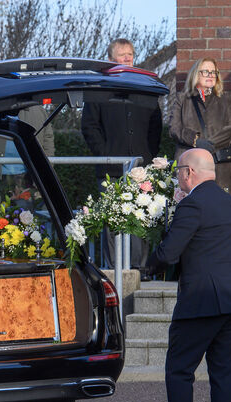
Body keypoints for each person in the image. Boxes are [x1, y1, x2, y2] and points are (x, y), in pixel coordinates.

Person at [145, 148, 231, 402]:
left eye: (179, 171)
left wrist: (147, 262)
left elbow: (168, 253)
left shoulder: (192, 204)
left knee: (179, 371)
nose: (177, 177)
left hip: (201, 301)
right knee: (224, 377)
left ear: (189, 173)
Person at [82, 38, 163, 277]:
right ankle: (117, 270)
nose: (128, 58)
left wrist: (148, 155)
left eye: (130, 54)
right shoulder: (98, 88)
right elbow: (89, 127)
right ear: (110, 60)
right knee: (114, 221)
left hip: (141, 167)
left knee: (141, 216)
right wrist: (105, 155)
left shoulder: (144, 87)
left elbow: (155, 126)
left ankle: (140, 269)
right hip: (111, 169)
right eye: (122, 55)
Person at [169, 57, 231, 200]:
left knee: (219, 206)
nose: (211, 75)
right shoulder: (182, 99)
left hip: (219, 164)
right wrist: (195, 141)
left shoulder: (227, 99)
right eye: (206, 72)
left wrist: (209, 145)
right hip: (189, 164)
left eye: (214, 72)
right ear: (196, 74)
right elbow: (174, 128)